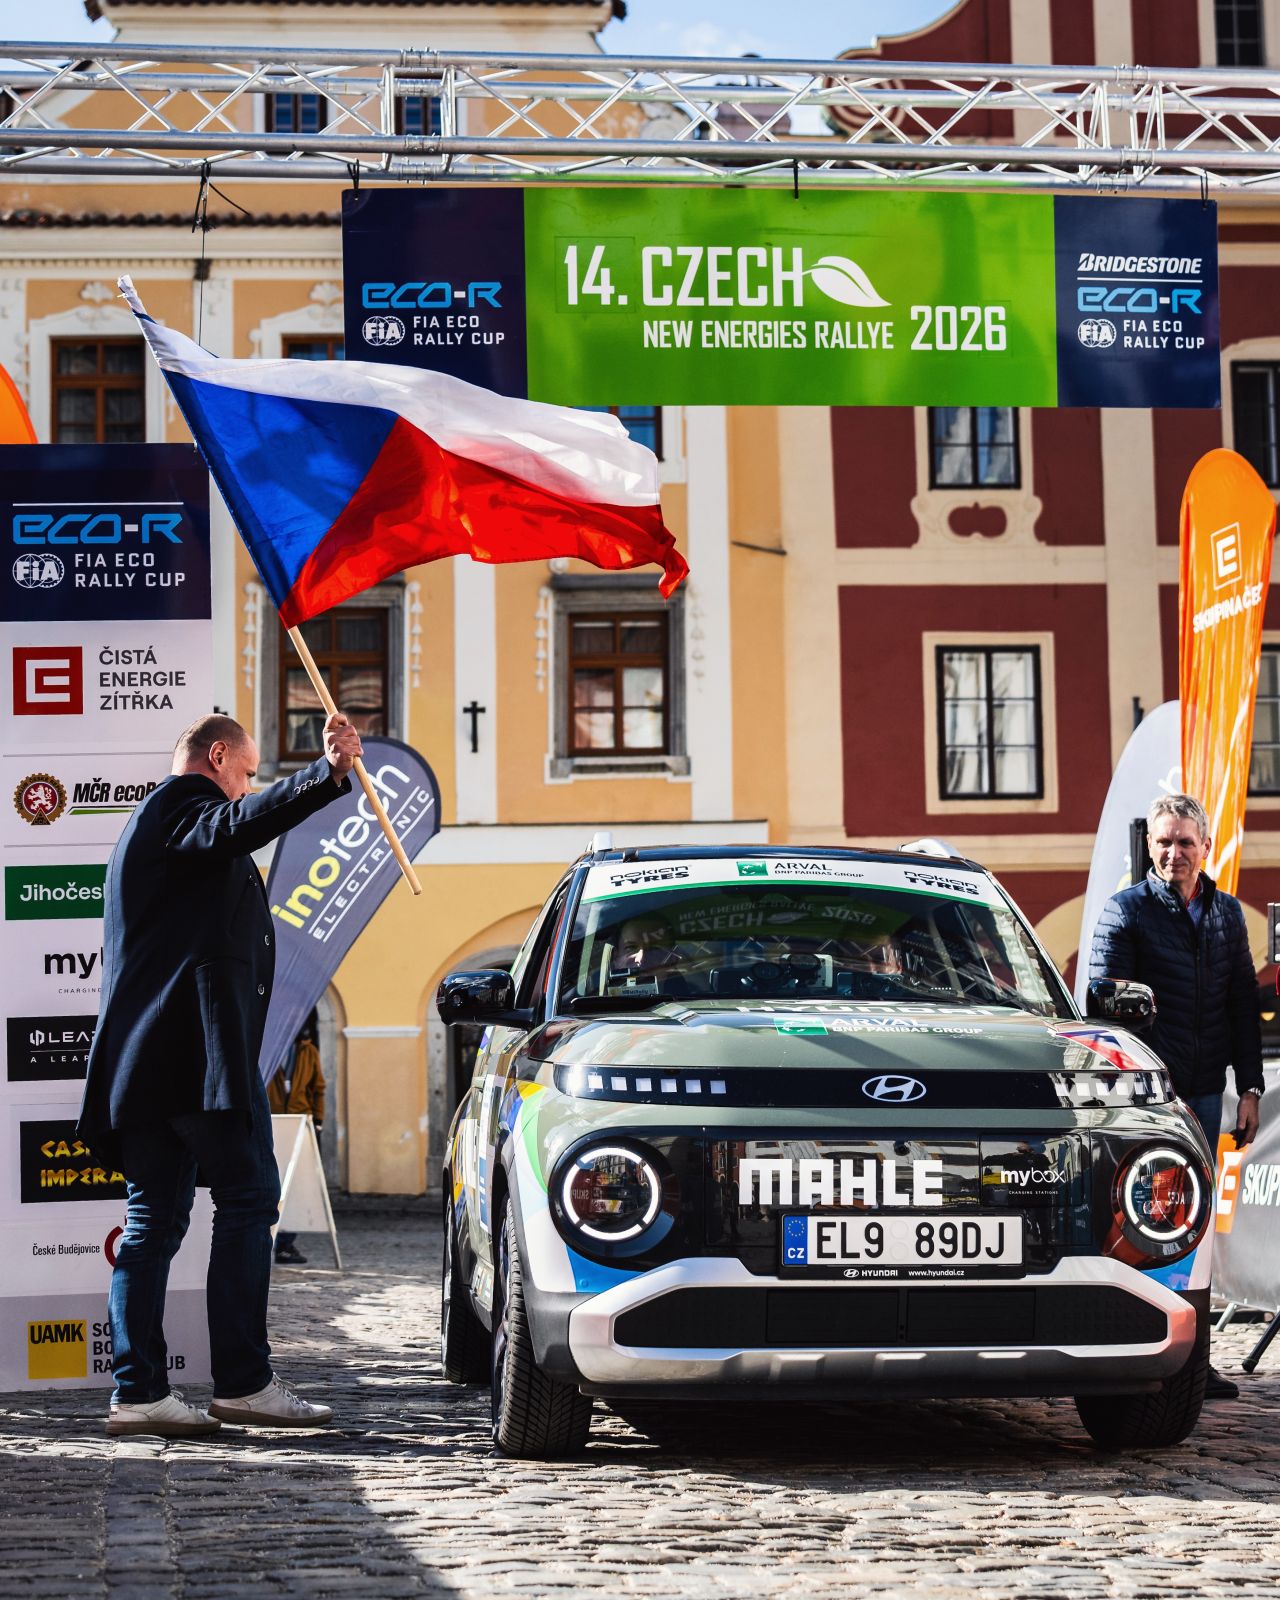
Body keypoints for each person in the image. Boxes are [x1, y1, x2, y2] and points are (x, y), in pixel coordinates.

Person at [78, 711, 361, 1437]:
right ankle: (243, 1383)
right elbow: (233, 825)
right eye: (245, 772)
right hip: (195, 1060)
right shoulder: (181, 809)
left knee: (153, 1222)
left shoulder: (160, 825)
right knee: (248, 1197)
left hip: (149, 1066)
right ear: (215, 756)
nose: (246, 786)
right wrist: (325, 775)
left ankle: (140, 1394)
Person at [1089, 791, 1264, 1402]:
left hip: (1206, 1091)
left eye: (1185, 842)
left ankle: (1194, 1365)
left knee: (1197, 1230)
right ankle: (1134, 1349)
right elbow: (1103, 1003)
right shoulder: (1126, 910)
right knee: (1144, 1222)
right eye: (1163, 842)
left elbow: (1243, 1005)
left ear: (1206, 847)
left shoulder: (1227, 914)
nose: (1173, 853)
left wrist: (1250, 1087)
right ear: (1149, 845)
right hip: (1145, 1098)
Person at [268, 1016, 326, 1265]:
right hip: (272, 1120)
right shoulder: (266, 1047)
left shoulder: (308, 1051)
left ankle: (285, 1244)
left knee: (296, 1186)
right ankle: (267, 1239)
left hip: (301, 1121)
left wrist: (318, 1120)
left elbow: (318, 1087)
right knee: (271, 1182)